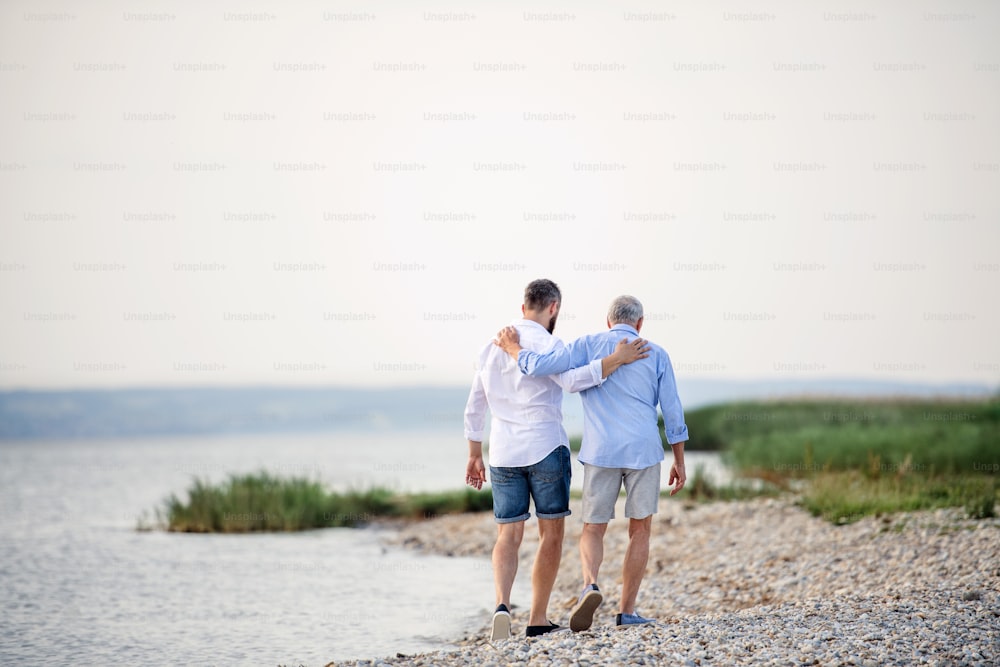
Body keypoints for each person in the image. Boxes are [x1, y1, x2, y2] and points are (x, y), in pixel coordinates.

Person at [464, 279, 649, 641]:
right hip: (546, 446)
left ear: (523, 308)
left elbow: (475, 405)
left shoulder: (491, 346)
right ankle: (536, 618)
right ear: (554, 309)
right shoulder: (552, 344)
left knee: (508, 534)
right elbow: (574, 381)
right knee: (551, 534)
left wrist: (474, 453)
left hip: (502, 451)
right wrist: (614, 360)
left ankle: (502, 605)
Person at [495, 294, 688, 631]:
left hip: (601, 452)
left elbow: (540, 367)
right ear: (639, 323)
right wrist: (680, 460)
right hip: (643, 451)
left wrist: (514, 351)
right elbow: (672, 411)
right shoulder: (656, 353)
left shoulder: (586, 344)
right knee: (640, 530)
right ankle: (627, 613)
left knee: (594, 527)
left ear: (608, 320)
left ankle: (590, 583)